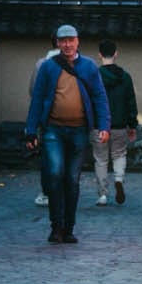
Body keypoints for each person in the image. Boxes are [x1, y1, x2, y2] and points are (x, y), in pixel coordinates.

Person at [25, 24, 110, 243]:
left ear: (78, 41)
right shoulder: (48, 67)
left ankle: (69, 227)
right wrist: (30, 130)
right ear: (57, 43)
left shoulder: (89, 66)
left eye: (71, 40)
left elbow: (100, 96)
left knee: (72, 179)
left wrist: (104, 125)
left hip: (79, 129)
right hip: (53, 128)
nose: (67, 45)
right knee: (54, 174)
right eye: (63, 41)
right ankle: (56, 225)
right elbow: (37, 98)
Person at [92, 39, 138, 205]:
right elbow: (131, 102)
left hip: (99, 125)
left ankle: (102, 195)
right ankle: (119, 179)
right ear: (116, 54)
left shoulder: (94, 76)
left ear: (99, 55)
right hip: (119, 124)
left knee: (100, 159)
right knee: (119, 154)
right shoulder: (125, 77)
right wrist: (132, 124)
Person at [29, 31, 60, 206]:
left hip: (46, 117)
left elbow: (33, 91)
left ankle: (47, 192)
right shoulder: (78, 63)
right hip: (72, 118)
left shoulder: (41, 64)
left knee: (48, 156)